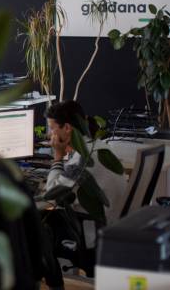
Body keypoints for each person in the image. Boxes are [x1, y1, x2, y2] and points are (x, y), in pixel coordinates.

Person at [41, 100, 126, 289]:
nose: (49, 134)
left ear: (68, 128)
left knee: (39, 221)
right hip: (110, 227)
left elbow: (52, 195)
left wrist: (57, 156)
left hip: (91, 234)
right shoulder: (100, 147)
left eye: (52, 128)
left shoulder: (82, 157)